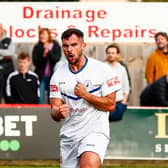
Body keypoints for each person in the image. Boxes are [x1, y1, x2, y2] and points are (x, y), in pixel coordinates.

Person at [50, 28, 121, 168]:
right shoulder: (57, 76)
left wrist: (86, 95)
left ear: (83, 46)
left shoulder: (102, 70)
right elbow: (53, 110)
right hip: (69, 136)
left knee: (89, 164)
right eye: (66, 46)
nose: (69, 49)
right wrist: (58, 112)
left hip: (95, 131)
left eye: (74, 45)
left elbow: (110, 105)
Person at [32, 28, 61, 104]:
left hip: (52, 76)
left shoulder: (55, 45)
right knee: (40, 98)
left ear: (48, 35)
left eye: (44, 34)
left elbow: (56, 59)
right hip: (41, 76)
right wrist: (43, 55)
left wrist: (49, 52)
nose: (42, 36)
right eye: (41, 34)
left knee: (52, 98)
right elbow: (35, 62)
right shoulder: (37, 47)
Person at [105, 44, 130, 121]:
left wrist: (123, 103)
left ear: (117, 54)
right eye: (109, 53)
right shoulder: (102, 67)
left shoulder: (122, 69)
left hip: (118, 103)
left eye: (113, 53)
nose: (110, 55)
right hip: (105, 103)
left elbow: (126, 87)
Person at [0, 23, 15, 103]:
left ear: (2, 29)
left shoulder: (8, 40)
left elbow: (11, 52)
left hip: (7, 70)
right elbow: (6, 53)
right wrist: (3, 54)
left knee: (8, 93)